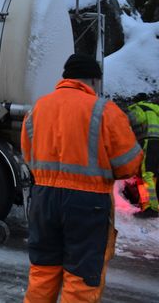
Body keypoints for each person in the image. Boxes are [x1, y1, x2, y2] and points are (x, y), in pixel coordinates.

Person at [21, 53, 143, 302]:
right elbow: (128, 166)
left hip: (43, 200)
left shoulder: (38, 108)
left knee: (43, 271)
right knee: (81, 279)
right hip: (88, 204)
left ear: (66, 78)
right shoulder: (104, 110)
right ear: (94, 80)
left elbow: (29, 156)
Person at [126, 99, 159, 217]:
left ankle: (151, 207)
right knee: (155, 174)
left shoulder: (136, 109)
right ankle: (151, 203)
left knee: (146, 174)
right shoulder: (155, 109)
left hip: (148, 141)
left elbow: (131, 124)